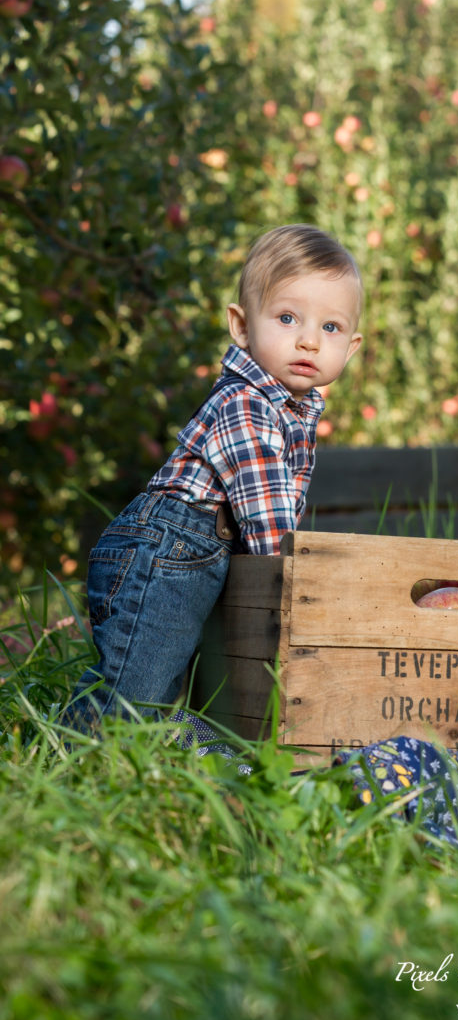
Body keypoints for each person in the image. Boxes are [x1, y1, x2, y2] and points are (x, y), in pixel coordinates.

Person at [67, 223, 363, 729]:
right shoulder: (246, 404)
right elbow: (273, 534)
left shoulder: (289, 410)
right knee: (132, 701)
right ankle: (74, 758)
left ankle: (166, 758)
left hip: (187, 558)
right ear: (242, 326)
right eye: (288, 318)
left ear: (351, 347)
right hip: (165, 555)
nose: (310, 341)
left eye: (330, 328)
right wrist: (311, 588)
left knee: (161, 695)